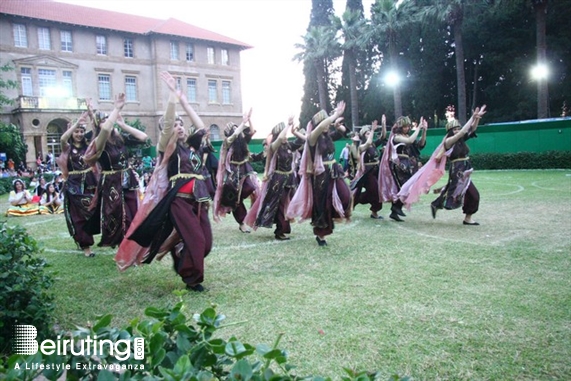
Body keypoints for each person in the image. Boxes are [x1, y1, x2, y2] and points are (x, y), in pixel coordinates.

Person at [116, 71, 212, 292]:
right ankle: (192, 279)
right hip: (179, 201)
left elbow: (201, 128)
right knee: (197, 241)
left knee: (205, 245)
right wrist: (171, 97)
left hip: (200, 199)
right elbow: (167, 125)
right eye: (175, 125)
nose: (178, 126)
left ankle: (179, 252)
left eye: (181, 124)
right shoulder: (167, 149)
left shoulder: (193, 147)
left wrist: (185, 103)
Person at [83, 94, 148, 247]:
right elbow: (105, 128)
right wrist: (116, 108)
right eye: (103, 119)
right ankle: (123, 247)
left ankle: (129, 247)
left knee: (133, 214)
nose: (107, 122)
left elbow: (143, 137)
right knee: (118, 216)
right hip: (112, 184)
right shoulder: (99, 141)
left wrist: (123, 125)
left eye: (108, 118)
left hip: (128, 180)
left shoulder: (119, 138)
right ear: (98, 125)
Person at [287, 102, 351, 246]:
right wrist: (335, 115)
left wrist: (337, 125)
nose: (327, 124)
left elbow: (343, 133)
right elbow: (321, 127)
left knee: (345, 195)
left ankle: (335, 215)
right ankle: (321, 234)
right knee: (323, 204)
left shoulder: (327, 137)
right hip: (320, 176)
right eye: (325, 122)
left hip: (334, 171)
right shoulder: (313, 137)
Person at [430, 106, 486, 225]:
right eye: (454, 129)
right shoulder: (448, 142)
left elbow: (471, 130)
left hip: (464, 170)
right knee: (459, 193)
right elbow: (463, 132)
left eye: (457, 128)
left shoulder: (460, 140)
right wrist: (472, 117)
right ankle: (438, 204)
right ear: (450, 131)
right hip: (457, 171)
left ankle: (438, 205)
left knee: (465, 193)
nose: (456, 130)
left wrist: (477, 118)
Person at [244, 118, 299, 240]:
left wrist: (295, 132)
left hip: (289, 180)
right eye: (283, 133)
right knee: (278, 204)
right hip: (277, 180)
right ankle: (280, 231)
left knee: (285, 204)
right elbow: (278, 140)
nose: (285, 136)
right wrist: (287, 126)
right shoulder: (273, 147)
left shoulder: (288, 145)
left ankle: (282, 229)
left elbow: (302, 141)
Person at [57, 113, 98, 257]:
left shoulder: (88, 146)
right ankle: (86, 247)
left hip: (90, 181)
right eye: (76, 131)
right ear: (72, 132)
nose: (79, 134)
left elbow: (98, 131)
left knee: (94, 209)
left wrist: (91, 113)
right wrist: (76, 123)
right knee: (78, 216)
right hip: (74, 185)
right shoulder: (66, 148)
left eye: (81, 131)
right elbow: (62, 138)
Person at [213, 109, 260, 233]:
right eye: (234, 129)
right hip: (233, 173)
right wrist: (241, 124)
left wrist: (249, 119)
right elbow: (234, 136)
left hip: (244, 169)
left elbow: (251, 131)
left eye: (237, 128)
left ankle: (239, 206)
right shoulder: (227, 142)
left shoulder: (242, 142)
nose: (237, 131)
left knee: (251, 187)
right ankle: (242, 222)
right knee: (236, 199)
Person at [379, 115, 427, 221]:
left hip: (408, 164)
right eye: (405, 126)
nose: (407, 128)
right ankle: (396, 207)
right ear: (400, 127)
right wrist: (418, 127)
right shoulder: (396, 137)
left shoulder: (406, 136)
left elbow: (420, 144)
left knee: (407, 186)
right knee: (405, 187)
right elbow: (410, 141)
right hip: (399, 164)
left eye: (408, 126)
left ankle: (395, 210)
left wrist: (424, 131)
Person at [350, 116, 387, 219]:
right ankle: (353, 202)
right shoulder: (361, 146)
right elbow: (368, 143)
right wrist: (372, 130)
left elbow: (383, 136)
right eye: (367, 133)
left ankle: (374, 212)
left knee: (377, 192)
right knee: (374, 190)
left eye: (369, 133)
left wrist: (383, 124)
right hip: (367, 174)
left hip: (376, 171)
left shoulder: (373, 144)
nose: (370, 134)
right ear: (363, 135)